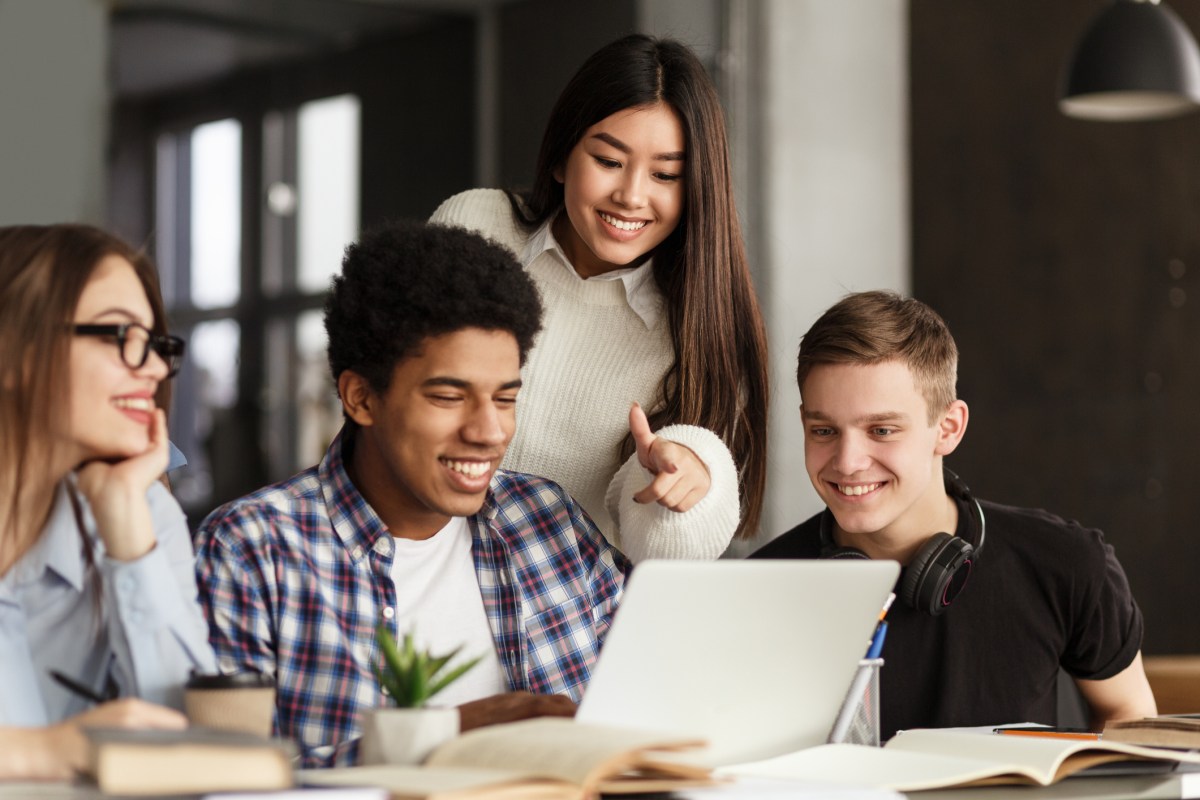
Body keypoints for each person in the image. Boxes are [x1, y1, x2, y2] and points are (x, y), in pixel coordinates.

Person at [194, 221, 629, 768]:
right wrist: (447, 735)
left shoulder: (548, 522)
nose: (489, 432)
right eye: (449, 397)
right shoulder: (253, 547)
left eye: (504, 398)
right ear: (361, 398)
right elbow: (223, 778)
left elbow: (645, 712)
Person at [751, 290, 1157, 738]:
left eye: (881, 430)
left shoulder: (1068, 564)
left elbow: (1130, 721)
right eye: (824, 430)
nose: (847, 462)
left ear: (948, 428)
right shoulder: (758, 588)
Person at [430, 34, 769, 562]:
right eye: (609, 161)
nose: (632, 195)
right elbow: (383, 400)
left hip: (558, 624)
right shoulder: (476, 226)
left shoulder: (697, 330)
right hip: (408, 576)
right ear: (563, 157)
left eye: (665, 175)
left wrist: (685, 494)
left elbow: (662, 558)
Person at [0, 224, 217, 779]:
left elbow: (194, 749)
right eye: (121, 335)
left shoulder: (146, 512)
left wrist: (127, 529)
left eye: (156, 344)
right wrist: (47, 751)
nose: (151, 369)